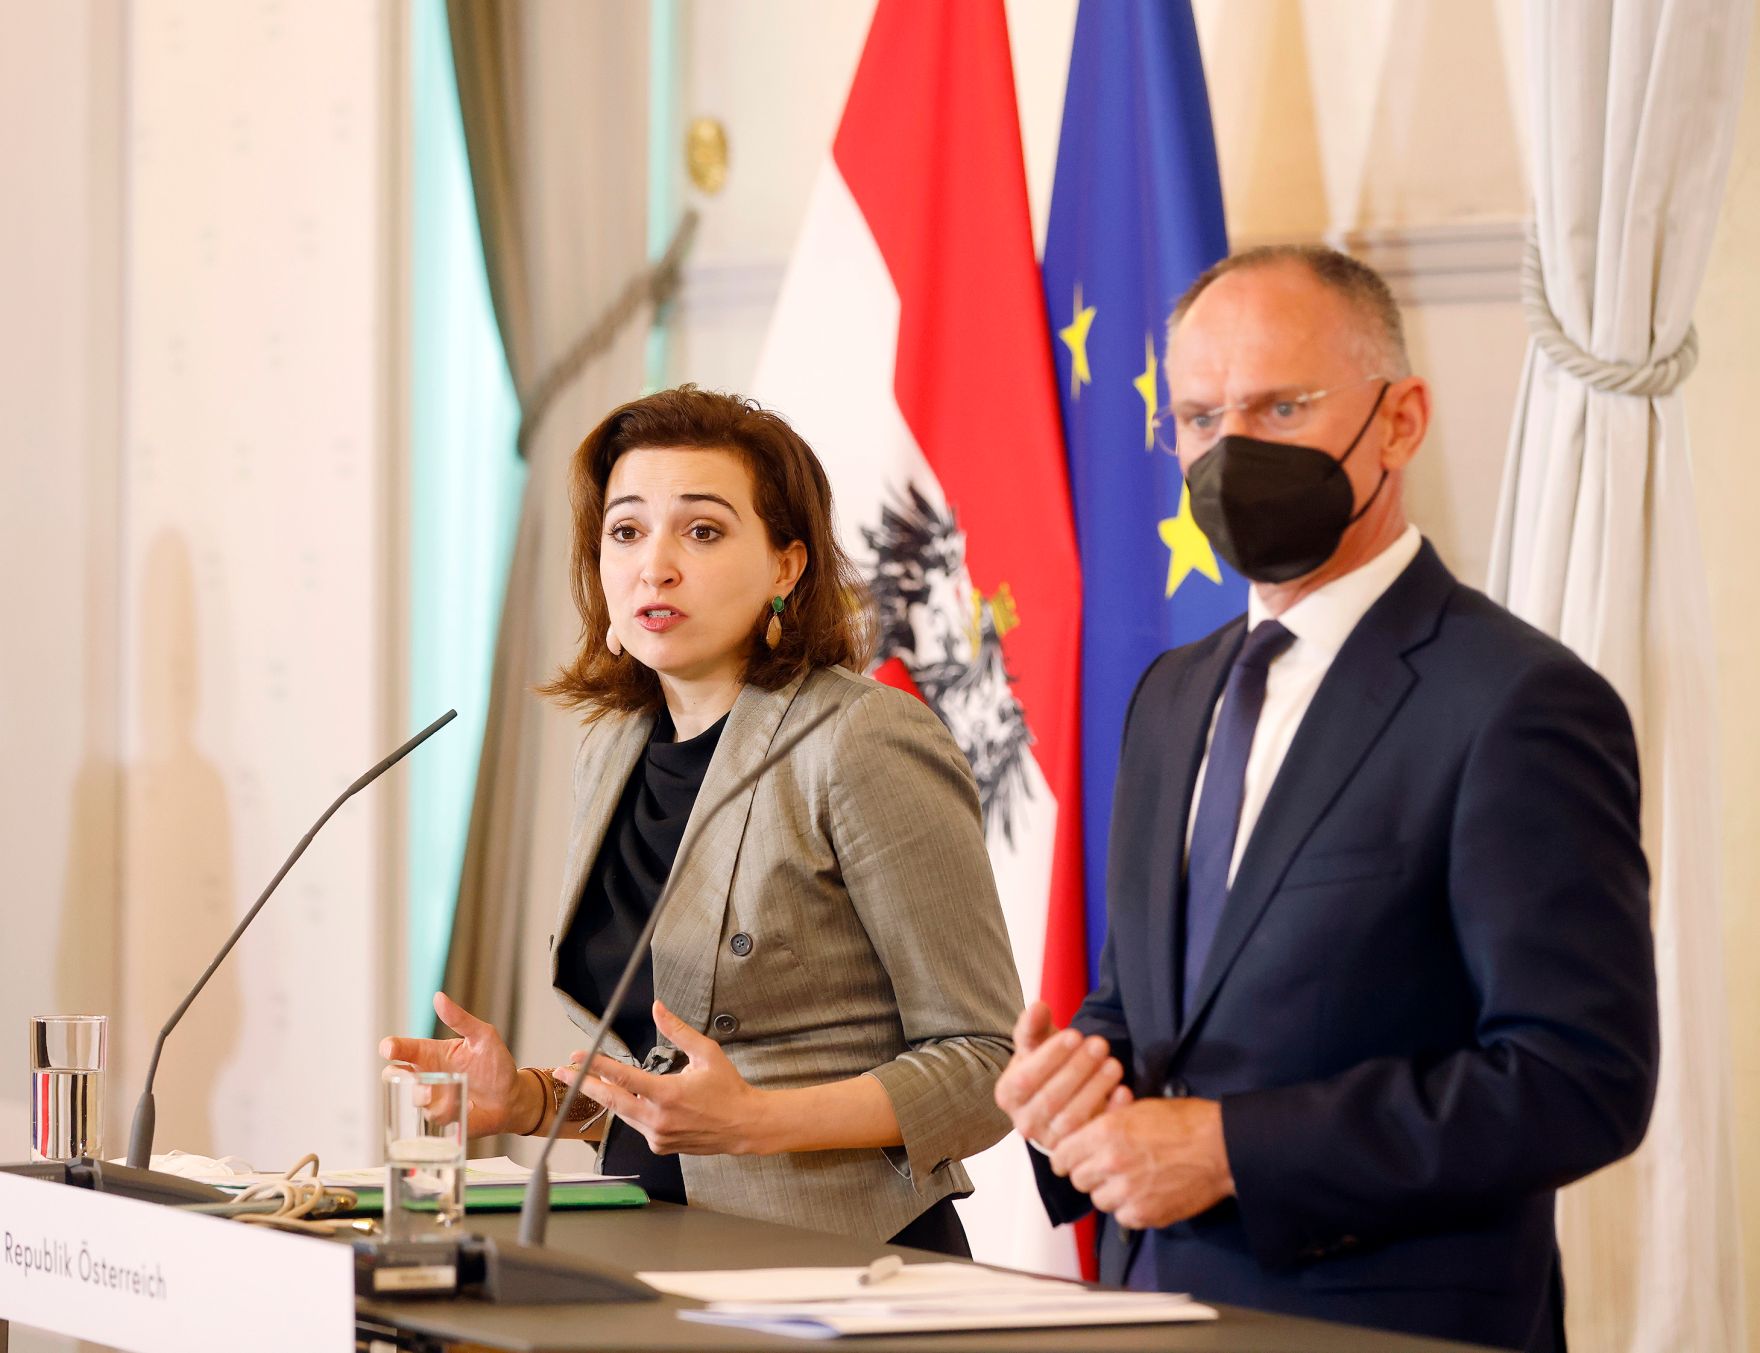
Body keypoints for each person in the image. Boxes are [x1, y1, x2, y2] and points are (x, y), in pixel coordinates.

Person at [994, 246, 1658, 1351]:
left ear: (1399, 421)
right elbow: (1149, 1010)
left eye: (1281, 407)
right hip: (1145, 1302)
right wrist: (1074, 1091)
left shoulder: (1517, 702)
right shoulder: (1170, 694)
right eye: (1199, 418)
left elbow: (1578, 1080)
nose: (1230, 449)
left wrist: (1231, 1150)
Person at [383, 386, 1021, 1254]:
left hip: (841, 1265)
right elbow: (665, 1079)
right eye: (626, 530)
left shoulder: (861, 738)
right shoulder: (612, 746)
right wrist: (529, 1100)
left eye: (704, 530)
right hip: (650, 1240)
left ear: (787, 567)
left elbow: (986, 1060)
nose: (655, 565)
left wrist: (760, 1121)